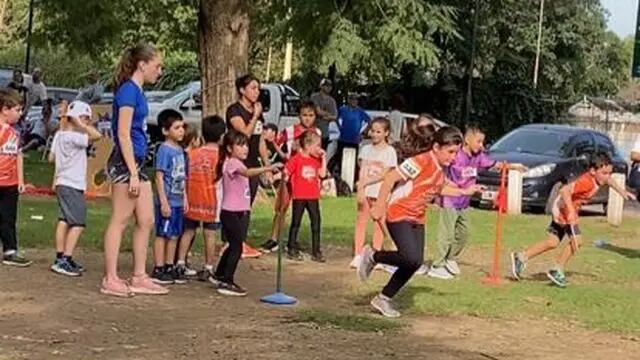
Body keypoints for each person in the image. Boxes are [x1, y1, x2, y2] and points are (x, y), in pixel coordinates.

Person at [357, 126, 484, 318]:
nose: (453, 157)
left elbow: (438, 189)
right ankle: (373, 256)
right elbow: (391, 178)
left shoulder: (442, 169)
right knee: (409, 257)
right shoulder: (420, 161)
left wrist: (464, 191)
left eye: (456, 153)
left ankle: (383, 298)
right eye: (450, 152)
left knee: (415, 262)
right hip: (399, 213)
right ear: (436, 147)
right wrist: (380, 205)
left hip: (417, 218)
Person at [510, 152, 634, 288]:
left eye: (609, 173)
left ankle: (521, 257)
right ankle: (557, 269)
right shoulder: (587, 182)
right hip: (564, 208)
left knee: (552, 242)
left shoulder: (600, 178)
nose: (607, 176)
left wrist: (622, 192)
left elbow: (609, 181)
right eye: (604, 173)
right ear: (593, 171)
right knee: (577, 241)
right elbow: (564, 191)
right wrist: (570, 212)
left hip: (564, 208)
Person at [101, 43, 167, 297]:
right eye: (157, 66)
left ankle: (139, 275)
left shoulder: (138, 92)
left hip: (137, 163)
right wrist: (131, 172)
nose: (159, 72)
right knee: (120, 219)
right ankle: (111, 278)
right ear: (142, 64)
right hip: (125, 164)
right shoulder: (128, 91)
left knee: (147, 219)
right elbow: (122, 133)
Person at [427, 127, 526, 280]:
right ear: (467, 140)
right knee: (446, 234)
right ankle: (437, 265)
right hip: (450, 199)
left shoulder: (478, 156)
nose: (482, 145)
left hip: (465, 201)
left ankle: (449, 257)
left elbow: (494, 164)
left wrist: (514, 167)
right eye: (479, 141)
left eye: (483, 142)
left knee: (464, 233)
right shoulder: (455, 155)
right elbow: (440, 171)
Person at [213, 130, 282, 296]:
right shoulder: (233, 164)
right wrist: (268, 168)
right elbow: (248, 173)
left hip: (237, 212)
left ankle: (220, 274)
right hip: (231, 212)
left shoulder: (237, 162)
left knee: (233, 244)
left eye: (246, 145)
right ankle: (227, 281)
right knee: (237, 246)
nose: (245, 148)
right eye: (240, 145)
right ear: (230, 148)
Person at [260, 100, 322, 253]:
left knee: (304, 210)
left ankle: (294, 241)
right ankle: (274, 238)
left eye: (311, 115)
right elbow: (276, 143)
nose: (307, 118)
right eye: (304, 115)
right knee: (282, 206)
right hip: (291, 171)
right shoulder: (289, 131)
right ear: (299, 115)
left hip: (306, 176)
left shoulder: (317, 133)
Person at [48, 100, 102, 276]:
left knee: (64, 220)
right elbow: (97, 135)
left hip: (62, 181)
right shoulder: (74, 137)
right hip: (72, 183)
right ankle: (65, 258)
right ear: (77, 118)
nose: (88, 123)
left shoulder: (60, 135)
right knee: (78, 222)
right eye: (86, 119)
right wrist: (80, 124)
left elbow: (51, 158)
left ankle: (61, 256)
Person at [175, 115, 226, 283]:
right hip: (212, 202)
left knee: (188, 231)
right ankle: (208, 267)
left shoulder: (193, 154)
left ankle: (180, 262)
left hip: (192, 199)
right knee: (210, 234)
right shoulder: (222, 156)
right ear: (222, 136)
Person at [226, 74, 272, 258]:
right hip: (237, 165)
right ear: (242, 90)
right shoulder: (234, 111)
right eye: (253, 88)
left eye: (258, 88)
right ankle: (230, 242)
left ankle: (241, 242)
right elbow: (244, 133)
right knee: (234, 205)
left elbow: (259, 140)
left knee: (247, 204)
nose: (257, 92)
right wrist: (254, 116)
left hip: (252, 163)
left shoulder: (259, 112)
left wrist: (267, 166)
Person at [351, 118, 397, 268]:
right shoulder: (365, 149)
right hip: (366, 191)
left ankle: (377, 255)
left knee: (379, 223)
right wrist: (361, 188)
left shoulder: (390, 152)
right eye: (373, 131)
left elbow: (385, 173)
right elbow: (362, 169)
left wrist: (366, 183)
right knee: (361, 221)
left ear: (386, 133)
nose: (375, 134)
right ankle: (358, 254)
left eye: (379, 131)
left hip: (380, 193)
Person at [151, 110, 187, 285]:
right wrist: (163, 201)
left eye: (182, 127)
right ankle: (158, 267)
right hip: (167, 200)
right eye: (177, 127)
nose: (181, 131)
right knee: (162, 233)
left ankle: (169, 265)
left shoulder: (180, 150)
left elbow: (183, 177)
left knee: (174, 234)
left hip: (178, 199)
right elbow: (159, 176)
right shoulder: (164, 150)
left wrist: (185, 198)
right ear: (166, 131)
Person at [285, 131, 327, 262]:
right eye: (317, 145)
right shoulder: (296, 159)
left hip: (313, 196)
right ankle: (291, 246)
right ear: (308, 145)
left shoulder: (316, 160)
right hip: (299, 196)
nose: (319, 149)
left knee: (316, 222)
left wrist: (324, 158)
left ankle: (316, 250)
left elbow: (322, 174)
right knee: (296, 222)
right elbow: (286, 172)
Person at [0, 89, 31, 267]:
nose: (20, 114)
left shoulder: (16, 133)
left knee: (9, 217)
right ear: (5, 109)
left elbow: (18, 155)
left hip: (10, 183)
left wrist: (20, 180)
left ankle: (10, 251)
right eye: (17, 110)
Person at [331, 93, 370, 176]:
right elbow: (336, 118)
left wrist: (363, 133)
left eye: (356, 99)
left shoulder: (360, 111)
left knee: (354, 161)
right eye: (352, 99)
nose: (354, 101)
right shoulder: (342, 109)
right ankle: (340, 177)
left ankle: (353, 177)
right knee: (340, 159)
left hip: (354, 140)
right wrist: (339, 127)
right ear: (349, 100)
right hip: (343, 139)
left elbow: (369, 121)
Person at [310, 79, 338, 149]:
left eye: (330, 86)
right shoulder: (314, 97)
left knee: (322, 153)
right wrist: (328, 113)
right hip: (313, 131)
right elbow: (318, 112)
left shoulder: (331, 100)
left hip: (325, 133)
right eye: (326, 86)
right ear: (321, 86)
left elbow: (335, 116)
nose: (328, 88)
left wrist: (327, 117)